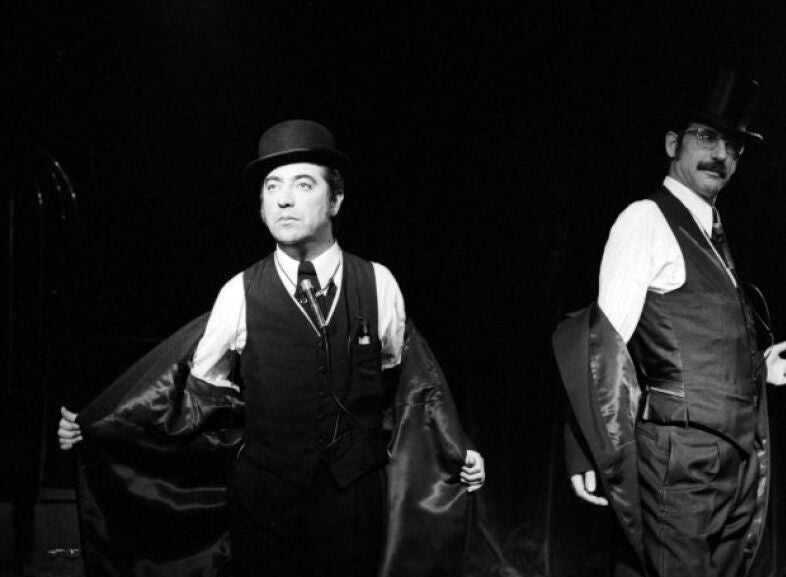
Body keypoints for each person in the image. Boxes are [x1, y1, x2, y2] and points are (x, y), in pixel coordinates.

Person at [58, 119, 485, 577]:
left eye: (303, 184)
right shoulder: (238, 293)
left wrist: (454, 448)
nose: (284, 199)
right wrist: (99, 424)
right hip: (265, 508)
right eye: (272, 187)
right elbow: (190, 401)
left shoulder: (379, 283)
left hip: (355, 505)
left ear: (336, 199)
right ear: (261, 208)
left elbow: (409, 390)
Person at [554, 69, 786, 577]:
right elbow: (603, 345)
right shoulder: (645, 219)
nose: (721, 155)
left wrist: (761, 368)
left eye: (733, 145)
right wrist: (584, 448)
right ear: (673, 144)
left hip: (735, 458)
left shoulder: (711, 233)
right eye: (707, 137)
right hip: (681, 458)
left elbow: (692, 341)